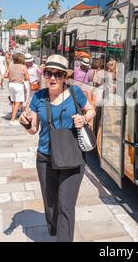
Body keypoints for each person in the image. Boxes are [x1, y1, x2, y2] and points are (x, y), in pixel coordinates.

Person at [19, 55, 96, 242]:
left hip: (72, 157)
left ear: (64, 77)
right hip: (46, 158)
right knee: (51, 204)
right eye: (49, 73)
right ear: (44, 74)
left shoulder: (75, 92)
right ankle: (55, 228)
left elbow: (91, 109)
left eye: (58, 74)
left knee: (66, 206)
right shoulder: (38, 97)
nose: (52, 78)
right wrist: (26, 123)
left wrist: (84, 119)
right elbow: (33, 130)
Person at [5, 53, 29, 126]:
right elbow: (27, 78)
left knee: (14, 102)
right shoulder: (23, 66)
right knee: (18, 103)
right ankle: (12, 120)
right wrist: (22, 77)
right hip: (18, 85)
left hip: (11, 84)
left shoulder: (10, 66)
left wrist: (12, 76)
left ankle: (13, 118)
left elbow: (5, 75)